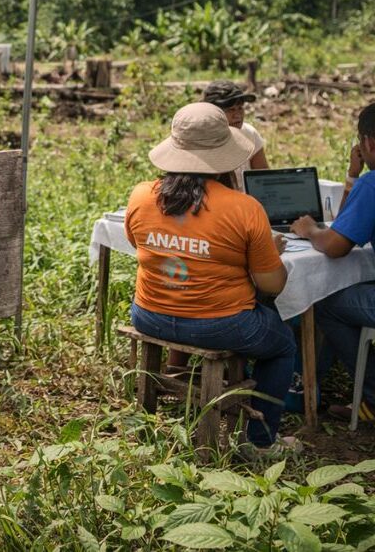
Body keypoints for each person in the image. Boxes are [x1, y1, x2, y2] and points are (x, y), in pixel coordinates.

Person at [126, 102, 296, 452]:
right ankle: (259, 443)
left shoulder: (141, 195)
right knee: (282, 345)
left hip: (149, 315)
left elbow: (138, 243)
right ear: (225, 154)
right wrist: (268, 254)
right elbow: (272, 284)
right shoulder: (244, 208)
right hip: (220, 325)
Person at [291, 103, 375, 423]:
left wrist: (310, 229)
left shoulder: (372, 185)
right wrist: (353, 176)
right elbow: (347, 223)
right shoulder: (366, 185)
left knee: (325, 302)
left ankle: (372, 397)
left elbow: (337, 245)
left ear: (367, 143)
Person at [203, 80, 269, 191]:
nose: (237, 115)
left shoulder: (249, 133)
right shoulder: (200, 140)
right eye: (230, 110)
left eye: (240, 108)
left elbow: (264, 179)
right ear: (213, 113)